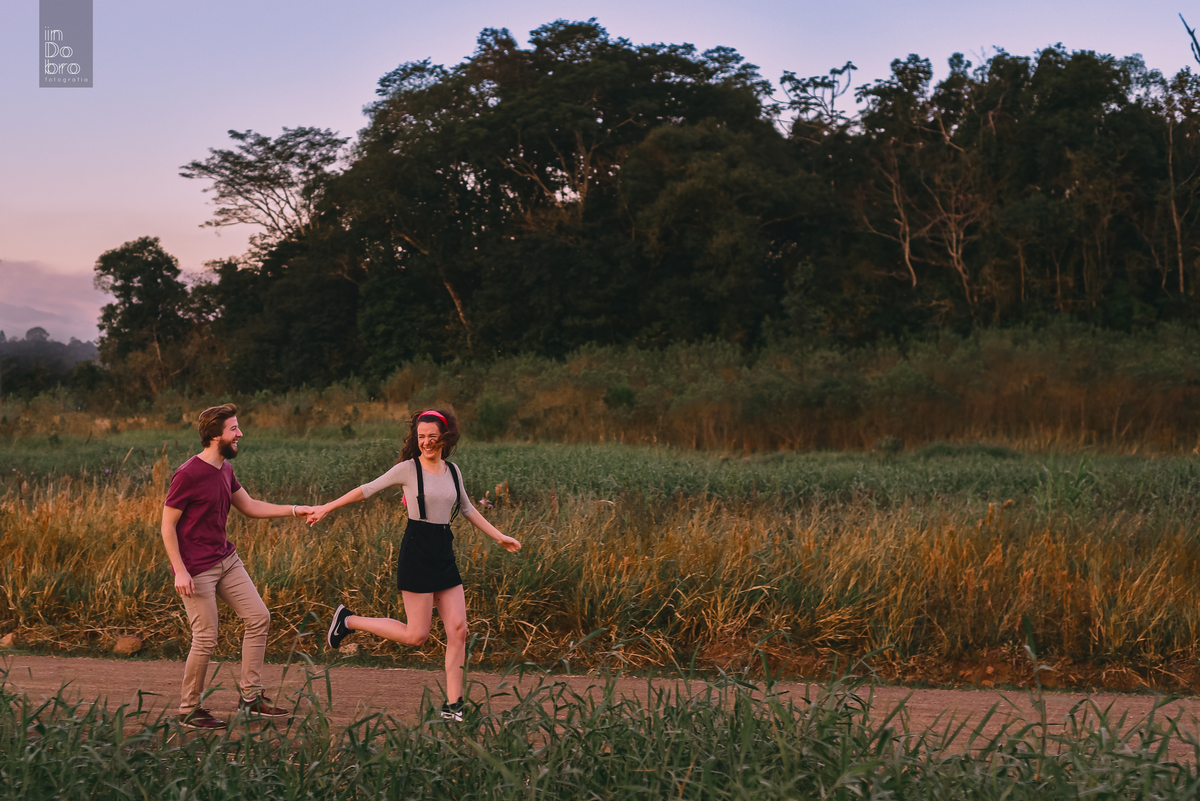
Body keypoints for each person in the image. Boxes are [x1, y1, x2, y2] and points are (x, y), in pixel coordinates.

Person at [307, 408, 520, 721]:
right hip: (417, 551)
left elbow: (467, 509)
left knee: (459, 630)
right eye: (421, 437)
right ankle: (349, 621)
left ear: (444, 438)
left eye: (433, 437)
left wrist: (499, 536)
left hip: (443, 553)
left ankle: (453, 707)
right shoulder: (408, 469)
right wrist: (327, 507)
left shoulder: (453, 471)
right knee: (416, 635)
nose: (427, 442)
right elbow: (366, 490)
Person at [161, 403, 313, 730]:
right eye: (234, 429)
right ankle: (189, 708)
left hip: (225, 560)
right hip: (196, 569)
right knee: (206, 638)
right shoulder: (188, 474)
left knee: (259, 617)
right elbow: (167, 526)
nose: (240, 434)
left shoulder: (225, 471)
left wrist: (294, 509)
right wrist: (180, 570)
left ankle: (251, 699)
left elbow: (250, 506)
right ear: (216, 435)